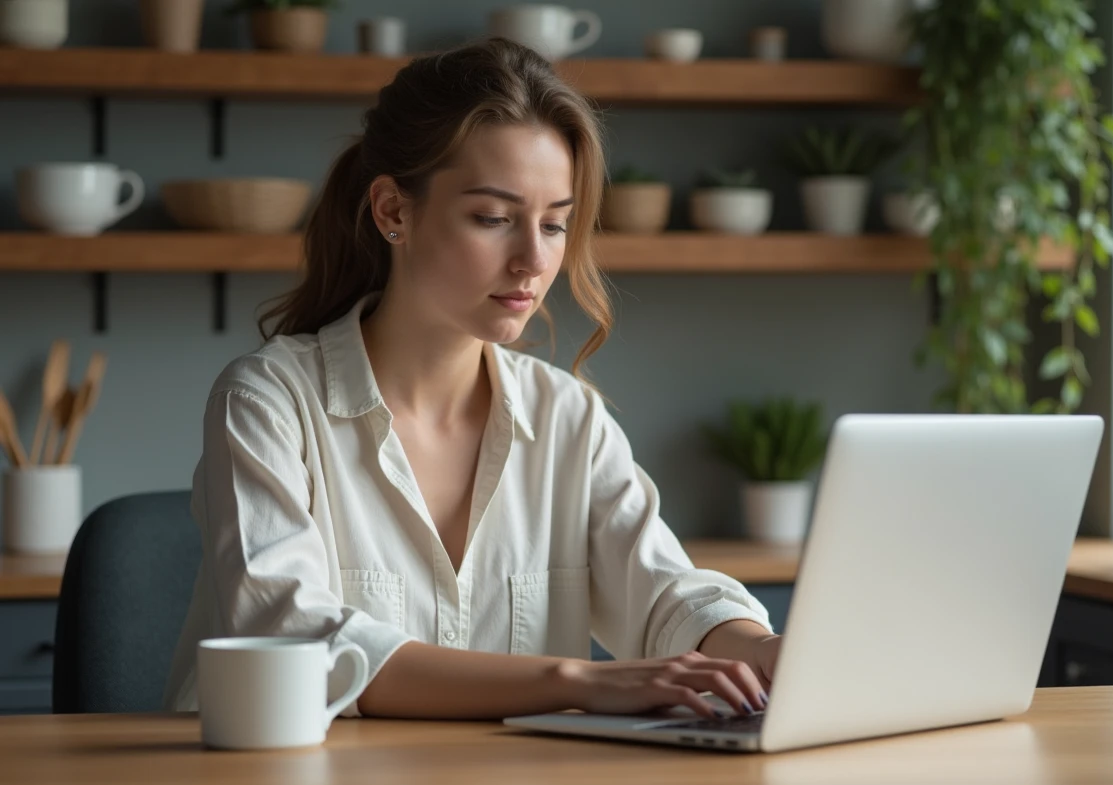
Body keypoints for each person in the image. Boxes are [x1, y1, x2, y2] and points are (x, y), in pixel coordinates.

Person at [164, 37, 779, 721]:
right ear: (393, 211)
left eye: (555, 224)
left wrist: (764, 650)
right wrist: (579, 681)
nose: (533, 261)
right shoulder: (268, 402)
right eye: (493, 219)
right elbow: (300, 643)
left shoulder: (567, 417)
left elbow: (669, 595)